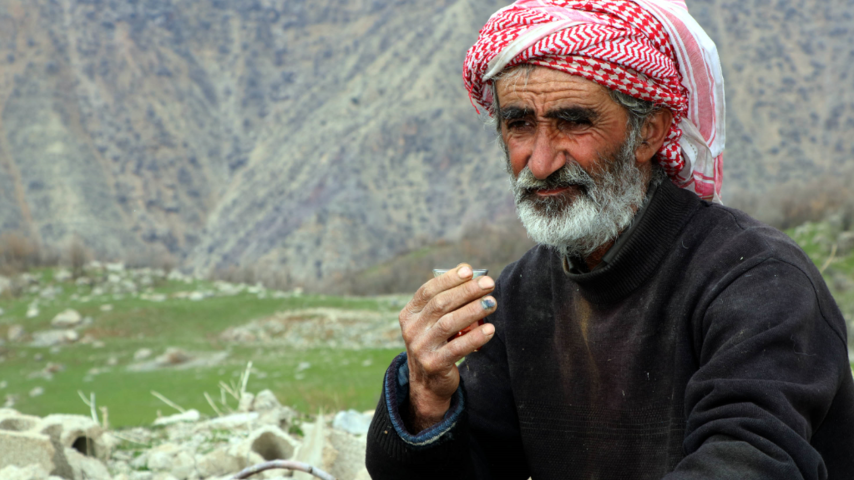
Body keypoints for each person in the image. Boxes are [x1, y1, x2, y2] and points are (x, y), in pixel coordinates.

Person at [365, 1, 854, 478]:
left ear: (649, 134)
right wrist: (427, 398)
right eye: (518, 124)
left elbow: (751, 457)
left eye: (573, 122)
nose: (539, 162)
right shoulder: (519, 296)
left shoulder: (758, 281)